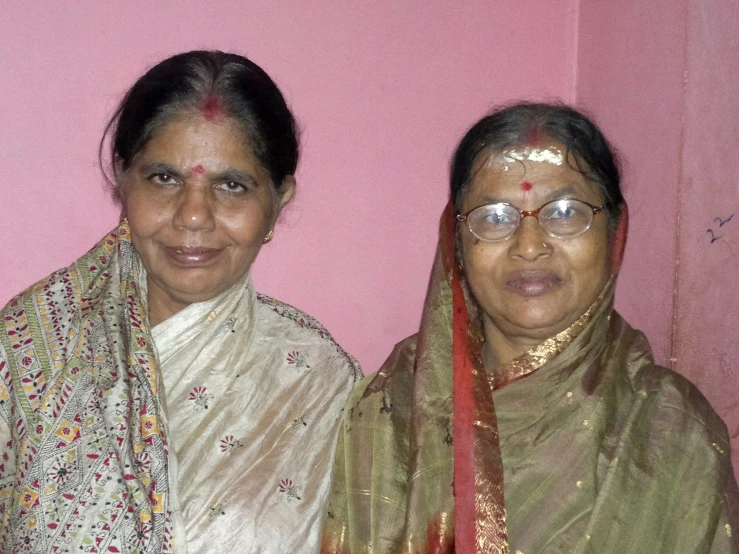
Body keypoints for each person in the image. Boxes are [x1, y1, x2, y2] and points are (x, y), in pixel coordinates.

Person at [321, 102, 738, 553]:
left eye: (564, 211)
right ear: (457, 244)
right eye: (495, 217)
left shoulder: (673, 431)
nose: (530, 246)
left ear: (615, 232)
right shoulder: (390, 405)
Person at [0, 50, 359, 553]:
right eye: (164, 178)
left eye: (231, 185)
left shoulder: (321, 382)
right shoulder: (29, 350)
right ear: (123, 176)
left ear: (279, 201)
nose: (193, 216)